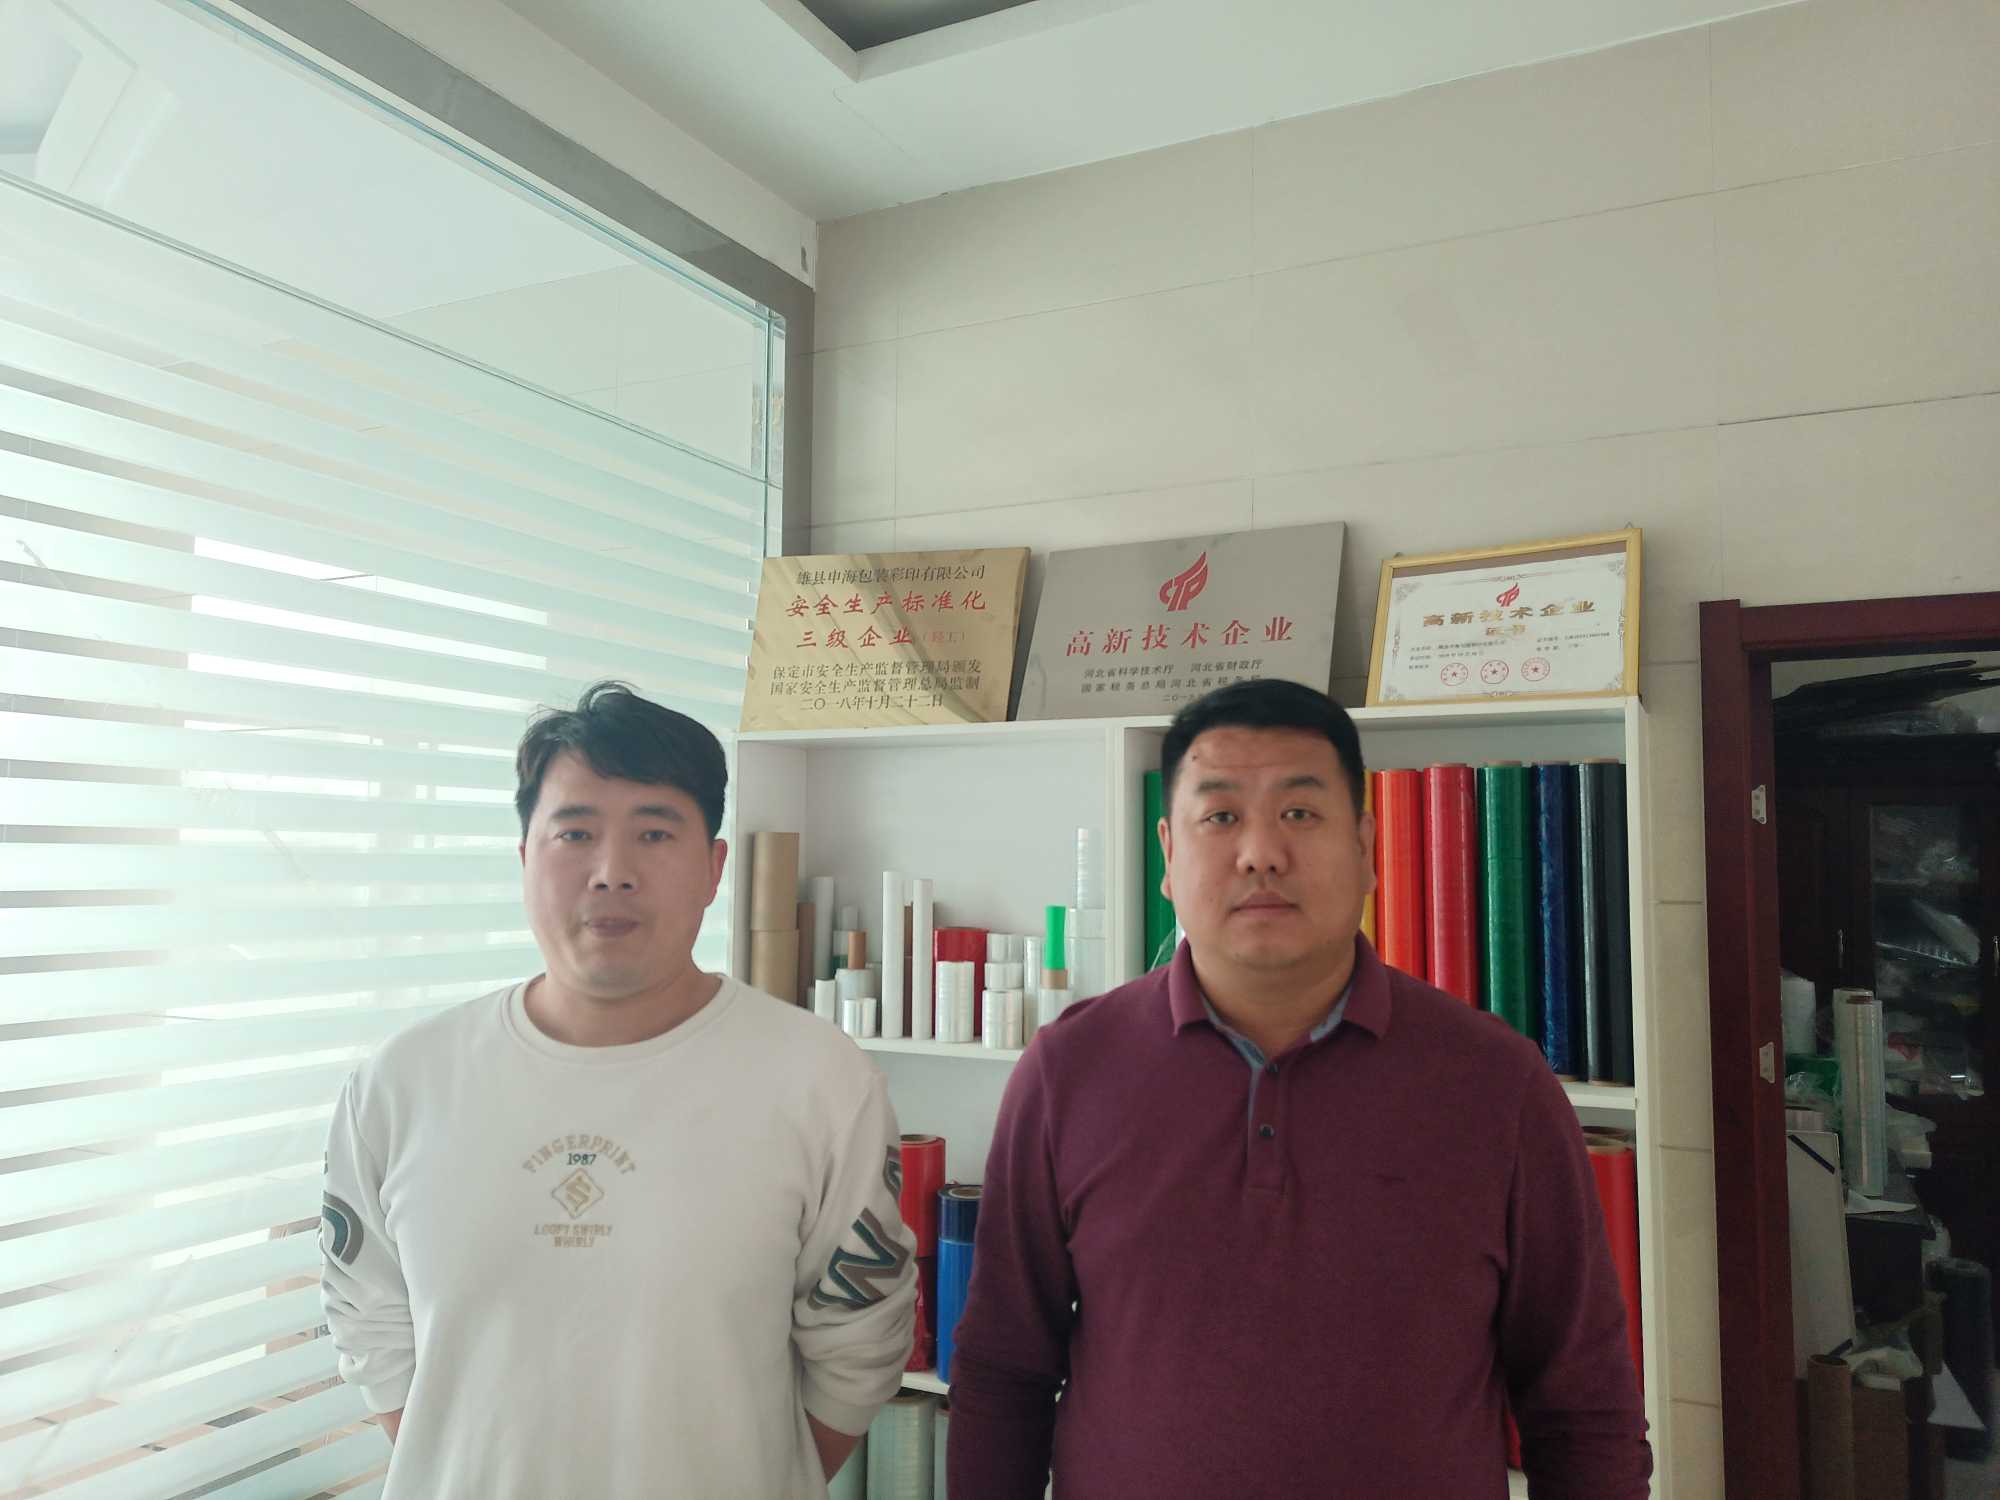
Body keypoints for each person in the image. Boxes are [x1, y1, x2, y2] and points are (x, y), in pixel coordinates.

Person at [946, 678, 1650, 1498]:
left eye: (1300, 813)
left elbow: (1582, 1408)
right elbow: (1004, 1372)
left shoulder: (1497, 1084)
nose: (1261, 853)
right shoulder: (1068, 1073)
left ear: (1366, 848)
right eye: (1221, 817)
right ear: (1168, 855)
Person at [320, 681, 915, 1497]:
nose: (612, 872)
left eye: (654, 833)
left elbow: (857, 1352)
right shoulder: (401, 1084)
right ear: (524, 858)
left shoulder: (820, 1082)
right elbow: (374, 1337)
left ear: (714, 868)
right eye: (575, 832)